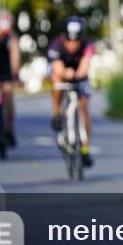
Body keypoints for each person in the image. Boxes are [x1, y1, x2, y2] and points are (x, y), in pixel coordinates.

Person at [47, 16, 95, 167]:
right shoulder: (56, 45)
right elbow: (58, 67)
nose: (73, 45)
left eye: (76, 41)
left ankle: (86, 148)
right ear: (63, 37)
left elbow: (85, 65)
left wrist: (80, 73)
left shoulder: (88, 44)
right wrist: (65, 73)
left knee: (84, 108)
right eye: (69, 41)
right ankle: (56, 113)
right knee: (57, 80)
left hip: (78, 72)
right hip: (61, 70)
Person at [0, 9, 21, 147]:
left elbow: (15, 58)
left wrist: (15, 75)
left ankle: (9, 129)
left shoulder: (12, 38)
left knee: (8, 96)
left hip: (7, 71)